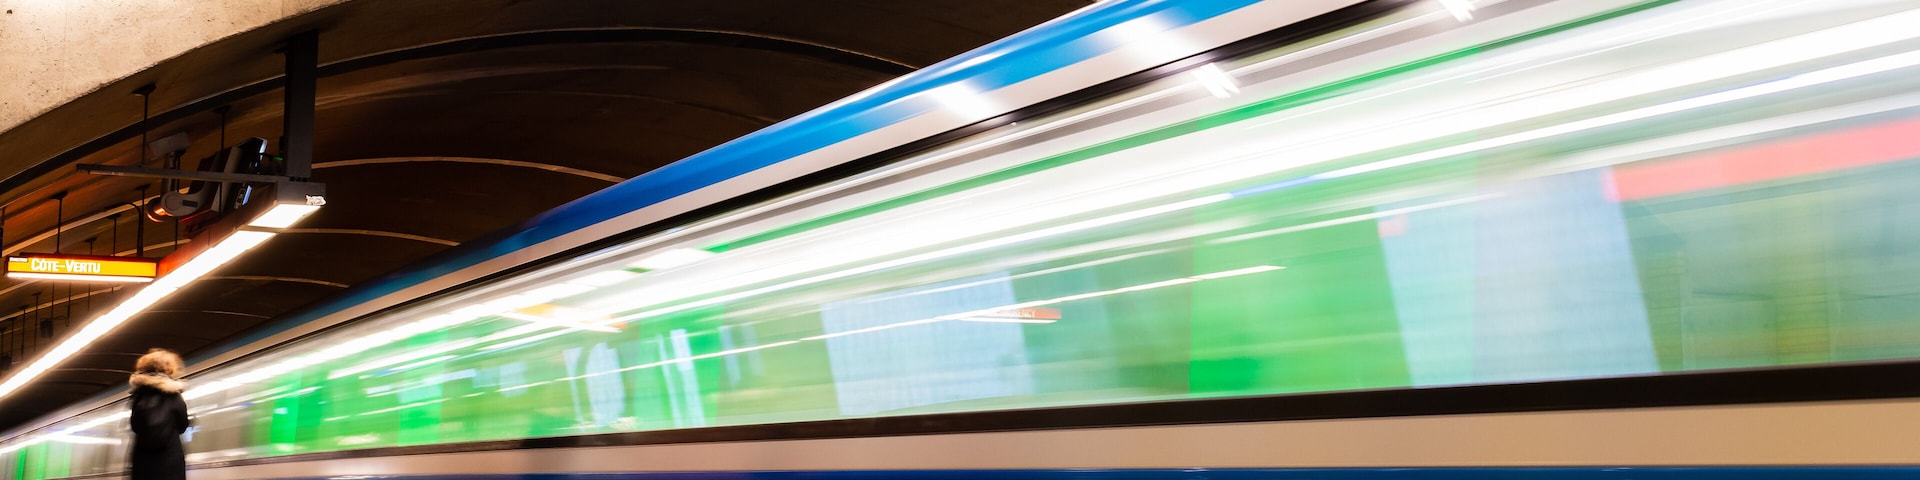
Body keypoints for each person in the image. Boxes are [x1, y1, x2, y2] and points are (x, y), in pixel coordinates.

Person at [128, 348, 189, 480]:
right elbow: (183, 425)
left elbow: (135, 426)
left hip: (142, 460)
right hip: (170, 460)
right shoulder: (174, 395)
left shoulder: (138, 396)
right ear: (169, 368)